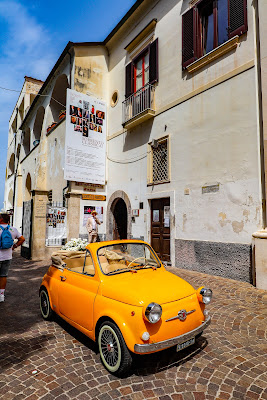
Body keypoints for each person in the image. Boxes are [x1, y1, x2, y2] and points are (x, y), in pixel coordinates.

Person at [0, 213, 25, 302]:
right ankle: (1, 295)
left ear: (1, 220)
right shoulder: (13, 229)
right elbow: (22, 239)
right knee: (3, 275)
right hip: (7, 256)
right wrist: (14, 246)